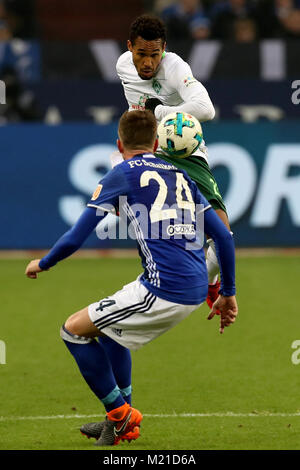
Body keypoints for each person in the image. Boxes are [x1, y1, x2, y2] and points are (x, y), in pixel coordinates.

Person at [25, 110, 238, 446]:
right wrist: (227, 292)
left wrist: (44, 262)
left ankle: (120, 414)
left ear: (118, 144)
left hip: (164, 289)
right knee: (110, 334)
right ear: (156, 143)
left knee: (73, 332)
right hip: (191, 284)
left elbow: (77, 236)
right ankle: (120, 422)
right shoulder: (181, 175)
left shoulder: (120, 173)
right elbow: (224, 238)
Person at [113, 14, 228, 312]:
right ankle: (155, 280)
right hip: (146, 150)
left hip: (185, 153)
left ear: (164, 49)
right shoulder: (122, 65)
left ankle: (209, 280)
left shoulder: (176, 67)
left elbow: (207, 109)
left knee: (222, 233)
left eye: (155, 55)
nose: (148, 62)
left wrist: (161, 111)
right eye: (141, 54)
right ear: (129, 48)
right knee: (121, 211)